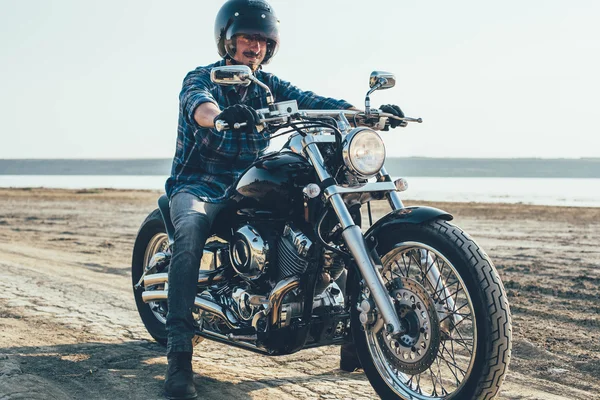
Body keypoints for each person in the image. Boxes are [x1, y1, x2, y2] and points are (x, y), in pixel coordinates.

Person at [162, 1, 406, 398]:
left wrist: (366, 117)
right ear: (228, 40)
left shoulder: (270, 86)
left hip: (246, 181)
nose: (254, 46)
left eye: (261, 40)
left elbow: (315, 102)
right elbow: (199, 105)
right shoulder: (203, 76)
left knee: (335, 219)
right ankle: (179, 356)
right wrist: (220, 115)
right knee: (189, 230)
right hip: (201, 184)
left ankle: (355, 340)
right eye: (246, 38)